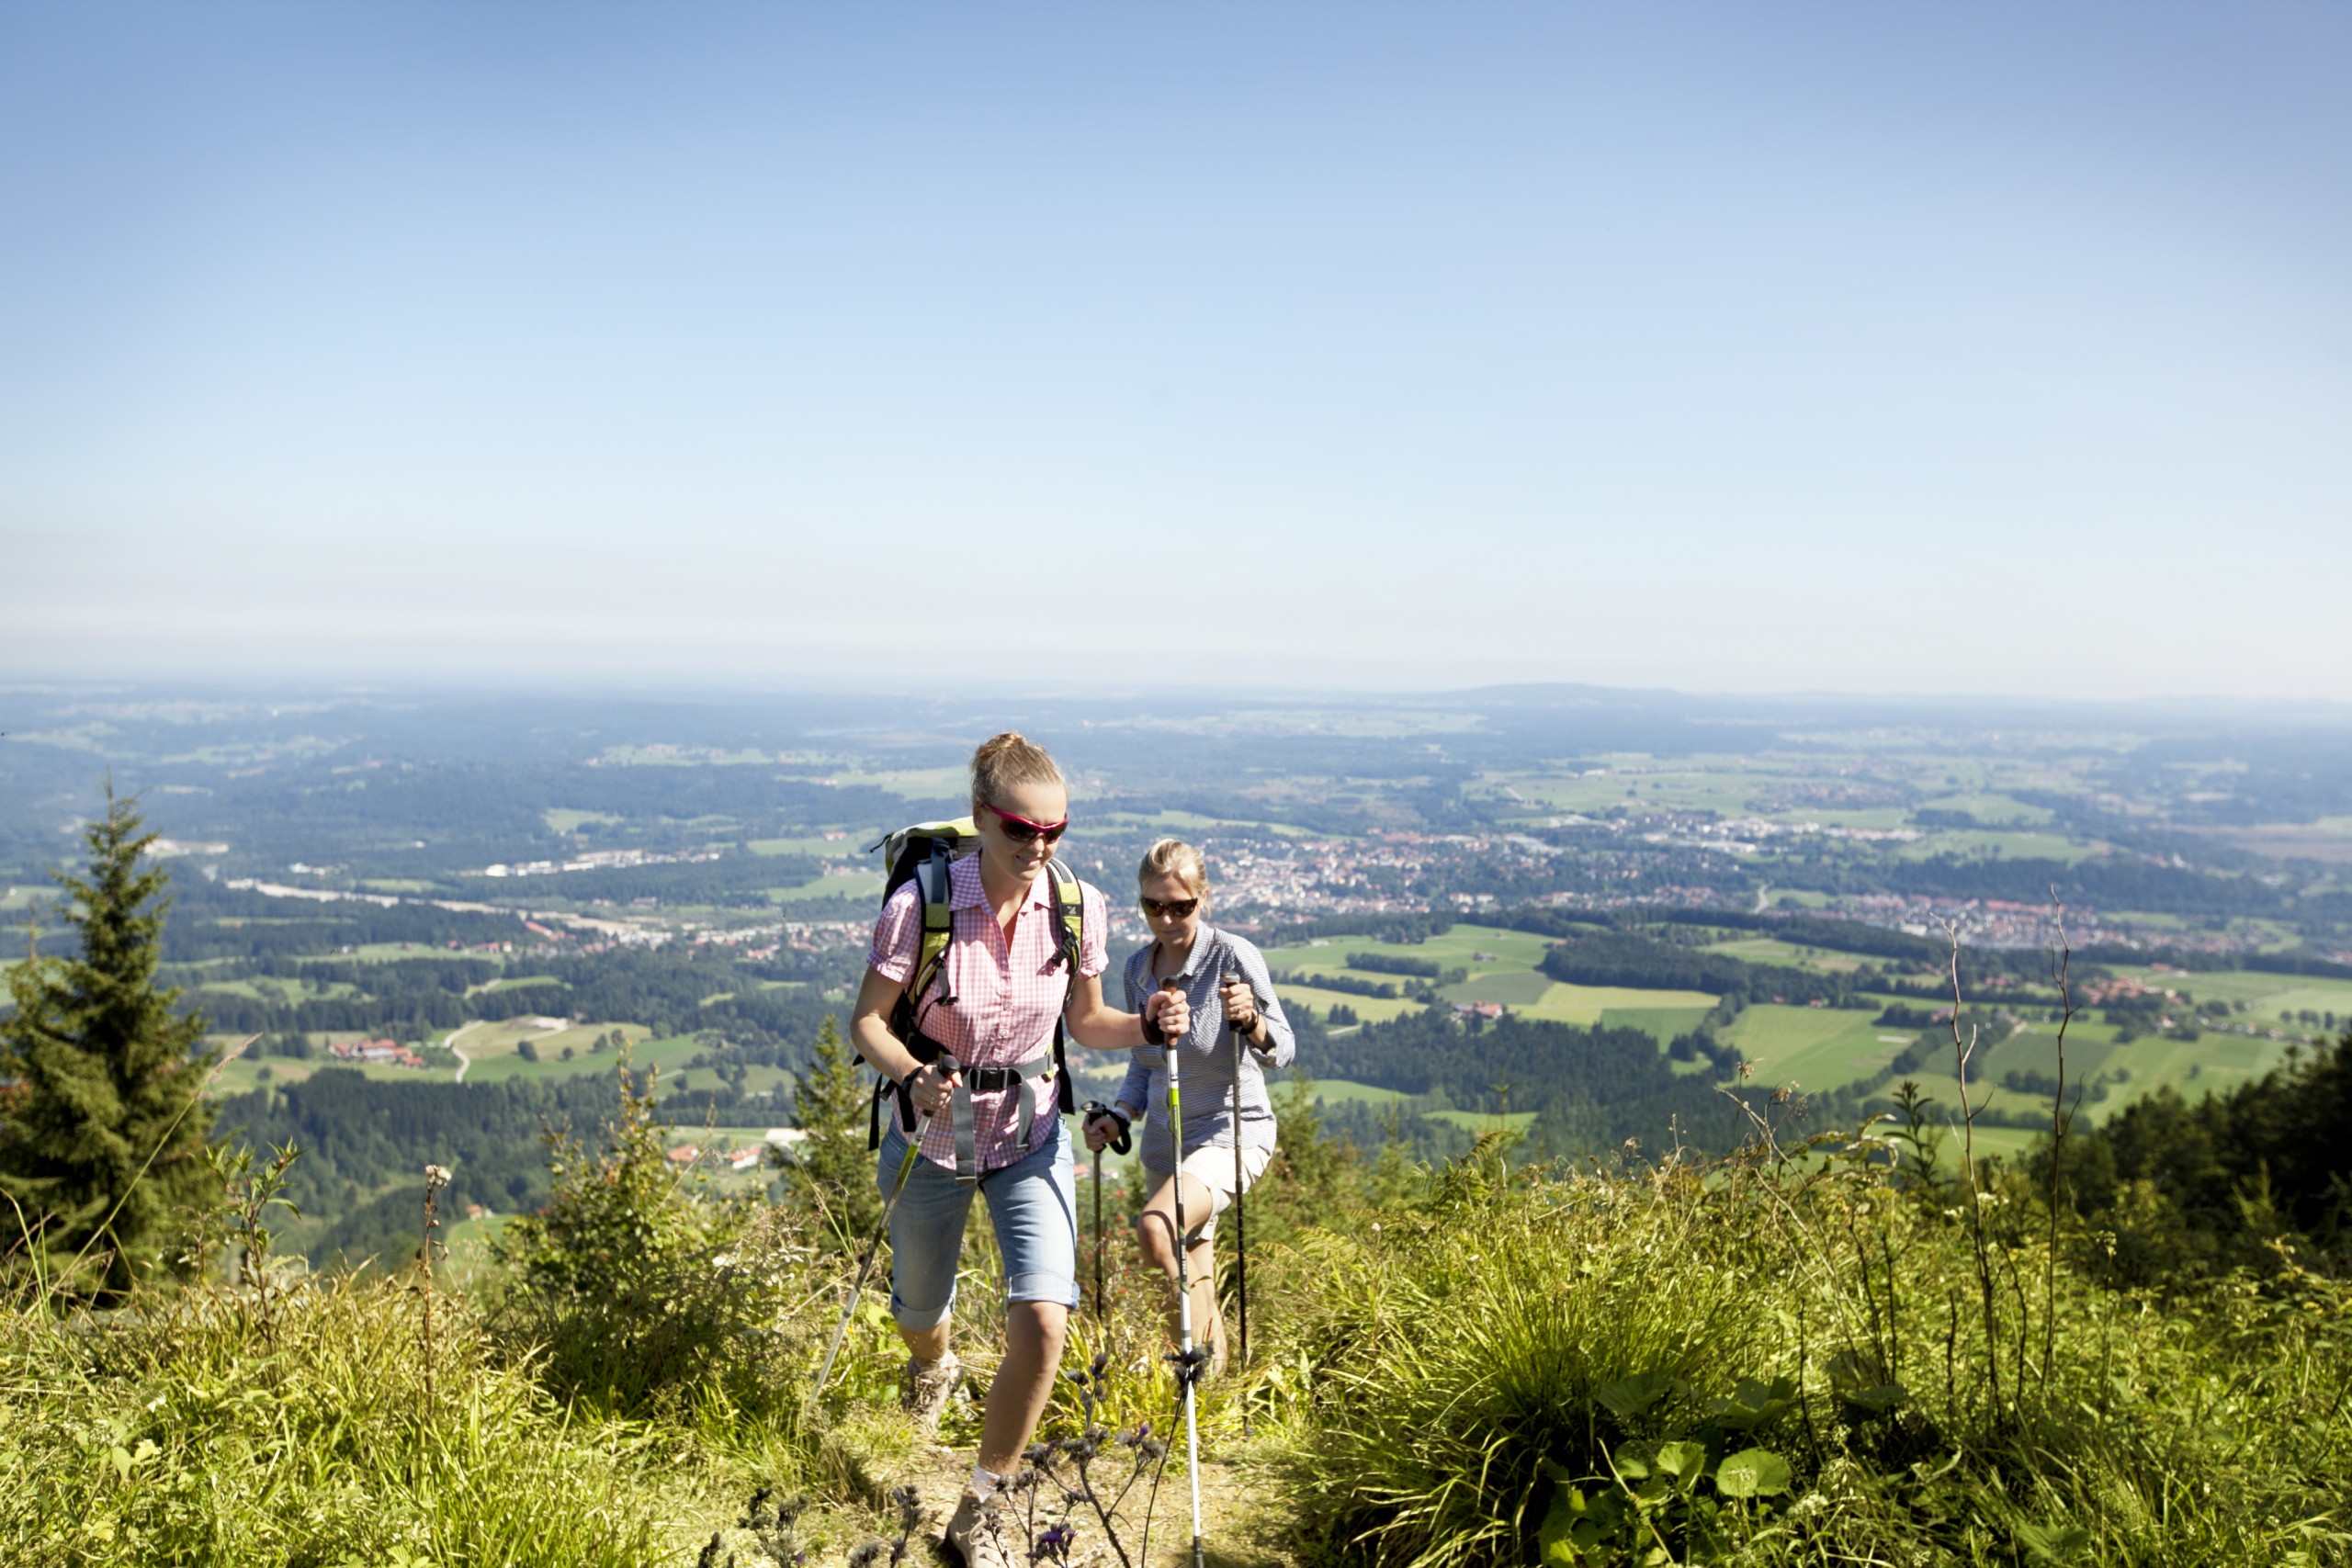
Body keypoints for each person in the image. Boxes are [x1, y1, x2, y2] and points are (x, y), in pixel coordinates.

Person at [850, 733, 1190, 1568]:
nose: (1037, 846)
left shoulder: (1076, 904)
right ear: (980, 818)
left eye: (1054, 831)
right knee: (917, 1312)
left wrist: (1144, 1023)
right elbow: (864, 1020)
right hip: (932, 1136)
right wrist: (911, 1072)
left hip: (1032, 1135)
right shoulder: (922, 905)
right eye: (1018, 829)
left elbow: (1086, 1022)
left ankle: (982, 1505)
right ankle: (936, 1365)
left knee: (1044, 1318)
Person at [1084, 837, 1294, 1373]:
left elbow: (1284, 1052)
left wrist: (1251, 1021)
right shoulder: (1137, 969)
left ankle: (1188, 1365)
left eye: (1181, 905)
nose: (1167, 917)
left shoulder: (1234, 956)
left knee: (1157, 1226)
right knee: (1194, 1263)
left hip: (1231, 1133)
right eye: (1154, 906)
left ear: (1203, 898)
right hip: (1165, 1145)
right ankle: (1214, 1391)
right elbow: (1142, 1059)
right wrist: (1120, 1115)